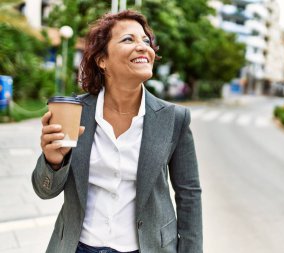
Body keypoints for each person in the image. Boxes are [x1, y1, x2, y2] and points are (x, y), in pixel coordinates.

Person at [32, 10, 202, 253]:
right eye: (128, 39)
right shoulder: (73, 112)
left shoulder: (174, 118)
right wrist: (53, 162)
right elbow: (44, 190)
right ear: (102, 60)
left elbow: (189, 195)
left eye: (146, 41)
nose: (143, 47)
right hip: (78, 247)